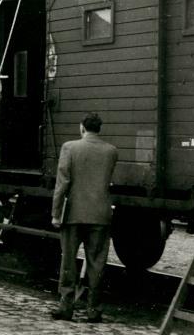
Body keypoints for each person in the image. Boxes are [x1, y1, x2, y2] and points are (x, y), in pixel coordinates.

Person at [50, 112, 117, 322]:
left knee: (68, 261)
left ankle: (66, 307)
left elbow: (62, 184)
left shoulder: (69, 148)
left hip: (73, 214)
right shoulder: (111, 151)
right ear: (99, 128)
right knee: (97, 263)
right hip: (100, 214)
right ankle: (94, 309)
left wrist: (56, 213)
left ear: (82, 127)